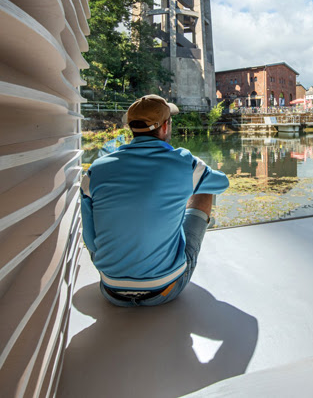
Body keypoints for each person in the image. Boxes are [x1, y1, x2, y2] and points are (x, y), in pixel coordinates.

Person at [80, 94, 229, 307]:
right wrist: (192, 164)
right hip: (166, 289)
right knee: (204, 188)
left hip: (111, 290)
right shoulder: (183, 163)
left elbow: (90, 238)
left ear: (131, 128)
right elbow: (222, 183)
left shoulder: (95, 170)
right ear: (166, 126)